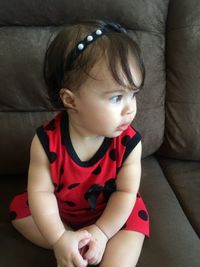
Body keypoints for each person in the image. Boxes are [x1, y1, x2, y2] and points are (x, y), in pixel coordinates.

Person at [9, 20, 149, 267]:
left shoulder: (129, 144)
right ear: (71, 101)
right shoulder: (45, 142)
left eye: (133, 94)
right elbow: (41, 193)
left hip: (112, 214)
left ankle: (94, 248)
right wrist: (59, 237)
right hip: (60, 212)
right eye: (117, 97)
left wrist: (102, 232)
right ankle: (72, 245)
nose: (130, 109)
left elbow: (126, 192)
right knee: (21, 212)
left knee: (133, 223)